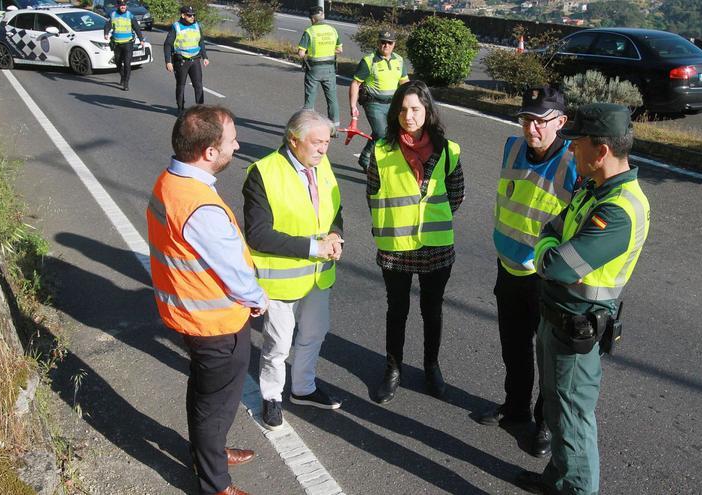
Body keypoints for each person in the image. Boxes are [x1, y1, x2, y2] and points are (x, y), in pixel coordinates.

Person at [514, 103, 651, 495]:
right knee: (558, 413)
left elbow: (557, 264)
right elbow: (553, 226)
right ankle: (557, 479)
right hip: (558, 319)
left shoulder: (620, 211)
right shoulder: (594, 187)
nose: (570, 151)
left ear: (602, 150)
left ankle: (576, 488)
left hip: (577, 328)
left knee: (573, 419)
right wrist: (549, 245)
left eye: (576, 144)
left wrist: (545, 252)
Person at [146, 105, 268, 495]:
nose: (237, 145)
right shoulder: (200, 207)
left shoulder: (170, 182)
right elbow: (233, 272)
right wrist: (256, 297)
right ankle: (215, 484)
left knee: (203, 394)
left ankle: (209, 451)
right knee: (215, 405)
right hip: (217, 325)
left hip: (189, 314)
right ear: (210, 153)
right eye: (231, 140)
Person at [474, 87, 578, 459]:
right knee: (513, 345)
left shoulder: (572, 163)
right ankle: (516, 406)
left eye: (540, 121)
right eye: (526, 119)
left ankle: (544, 421)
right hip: (508, 266)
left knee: (547, 354)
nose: (531, 128)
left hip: (545, 277)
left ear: (561, 122)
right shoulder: (512, 147)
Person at [243, 109, 344, 431]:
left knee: (314, 334)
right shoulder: (263, 173)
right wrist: (315, 247)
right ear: (293, 139)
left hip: (318, 274)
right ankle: (271, 397)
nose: (323, 149)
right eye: (317, 143)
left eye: (327, 142)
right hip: (282, 279)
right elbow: (258, 234)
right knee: (278, 344)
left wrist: (336, 235)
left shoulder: (322, 164)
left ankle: (303, 387)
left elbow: (334, 208)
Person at [367, 80, 465, 404]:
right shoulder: (381, 150)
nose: (409, 116)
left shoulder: (448, 151)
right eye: (403, 109)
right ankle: (392, 369)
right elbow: (372, 193)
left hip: (436, 246)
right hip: (395, 248)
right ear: (395, 111)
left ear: (427, 111)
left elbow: (456, 194)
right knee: (397, 310)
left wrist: (427, 218)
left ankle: (431, 366)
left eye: (416, 109)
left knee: (432, 310)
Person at [349, 30, 409, 171]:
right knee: (382, 133)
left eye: (389, 43)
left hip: (393, 103)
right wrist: (353, 106)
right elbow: (355, 84)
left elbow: (405, 83)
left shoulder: (399, 60)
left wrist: (410, 102)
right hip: (373, 103)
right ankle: (374, 163)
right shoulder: (369, 61)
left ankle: (365, 156)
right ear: (378, 43)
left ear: (394, 44)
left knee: (388, 132)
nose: (386, 45)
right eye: (383, 42)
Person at [297, 6, 342, 126]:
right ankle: (334, 127)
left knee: (310, 99)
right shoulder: (333, 30)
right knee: (332, 99)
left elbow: (301, 53)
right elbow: (339, 50)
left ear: (312, 19)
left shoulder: (310, 31)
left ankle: (306, 126)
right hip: (330, 69)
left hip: (314, 70)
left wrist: (307, 54)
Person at [165, 6, 209, 115]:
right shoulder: (176, 27)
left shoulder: (197, 26)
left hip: (195, 60)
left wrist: (205, 57)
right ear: (183, 15)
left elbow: (201, 42)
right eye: (189, 15)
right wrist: (168, 61)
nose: (192, 17)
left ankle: (200, 109)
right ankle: (180, 108)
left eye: (193, 15)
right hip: (181, 61)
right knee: (181, 85)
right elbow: (168, 45)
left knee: (198, 85)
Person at [103, 0, 144, 91]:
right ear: (118, 6)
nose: (123, 7)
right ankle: (122, 76)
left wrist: (141, 40)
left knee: (127, 63)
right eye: (121, 5)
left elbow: (136, 27)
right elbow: (107, 25)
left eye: (124, 5)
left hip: (128, 43)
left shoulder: (130, 15)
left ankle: (126, 83)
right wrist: (106, 33)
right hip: (117, 44)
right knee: (117, 63)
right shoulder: (113, 15)